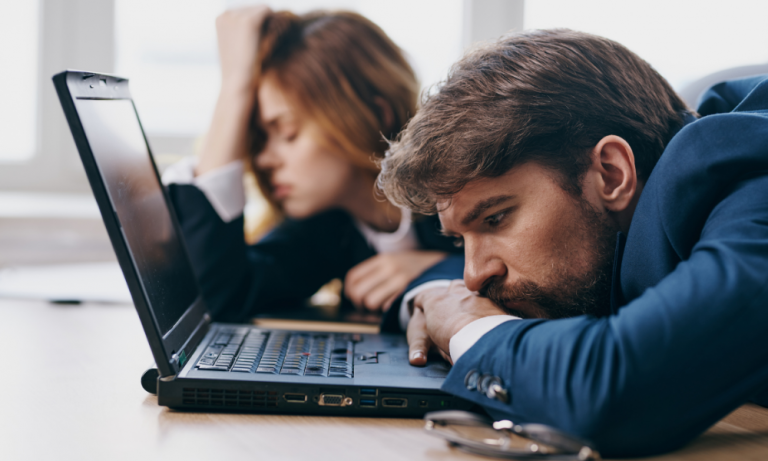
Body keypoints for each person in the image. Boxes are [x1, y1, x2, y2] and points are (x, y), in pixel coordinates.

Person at [377, 29, 768, 457]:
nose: (472, 277)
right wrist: (434, 296)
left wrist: (464, 325)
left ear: (611, 174)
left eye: (496, 218)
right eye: (461, 239)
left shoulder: (750, 176)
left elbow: (617, 390)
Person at [162, 6, 463, 322]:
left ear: (373, 116)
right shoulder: (326, 231)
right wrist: (234, 86)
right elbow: (216, 297)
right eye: (261, 139)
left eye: (288, 133)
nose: (263, 159)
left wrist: (436, 270)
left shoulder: (461, 187)